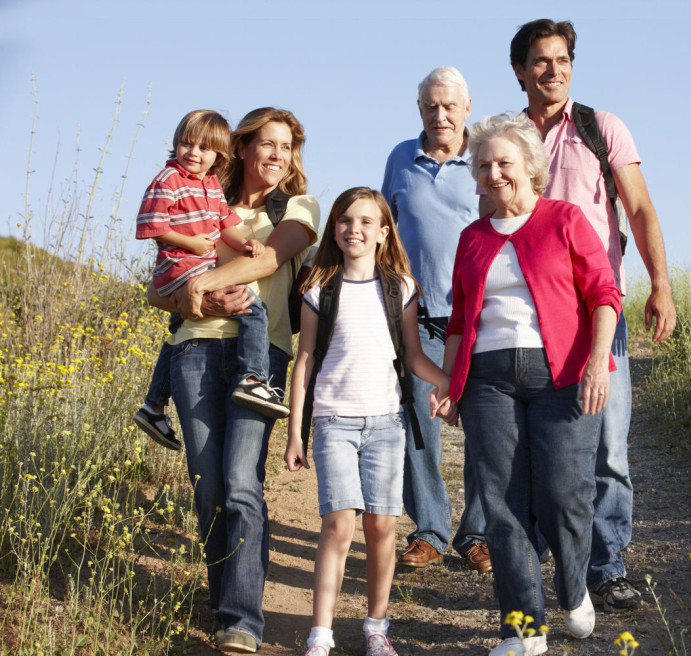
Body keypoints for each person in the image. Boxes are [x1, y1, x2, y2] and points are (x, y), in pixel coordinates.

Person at [497, 18, 678, 611]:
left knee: (609, 446)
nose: (554, 70)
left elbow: (642, 209)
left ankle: (607, 565)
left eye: (563, 59)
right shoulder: (506, 139)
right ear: (520, 70)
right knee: (533, 444)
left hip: (600, 309)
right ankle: (548, 561)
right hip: (528, 316)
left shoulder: (603, 129)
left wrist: (660, 285)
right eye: (541, 61)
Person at [445, 113, 621, 656]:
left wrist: (596, 362)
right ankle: (524, 628)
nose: (493, 173)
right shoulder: (472, 237)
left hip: (562, 375)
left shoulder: (564, 219)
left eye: (503, 162)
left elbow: (604, 296)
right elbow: (457, 322)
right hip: (486, 382)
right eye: (483, 165)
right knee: (501, 503)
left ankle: (573, 589)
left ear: (530, 167)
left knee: (562, 492)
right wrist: (452, 385)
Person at [148, 107, 320, 653]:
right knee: (209, 488)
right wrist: (194, 299)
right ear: (241, 149)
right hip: (192, 350)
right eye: (266, 144)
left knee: (242, 482)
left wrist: (204, 287)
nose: (276, 155)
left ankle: (242, 620)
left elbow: (268, 260)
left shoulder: (297, 206)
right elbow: (156, 290)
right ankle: (225, 598)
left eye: (286, 147)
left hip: (259, 355)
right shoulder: (199, 200)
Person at [284, 187, 452, 656]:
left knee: (382, 527)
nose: (352, 229)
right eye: (344, 220)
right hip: (334, 422)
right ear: (334, 229)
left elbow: (415, 357)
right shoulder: (318, 288)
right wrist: (296, 432)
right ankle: (321, 635)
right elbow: (305, 360)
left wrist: (450, 385)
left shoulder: (400, 287)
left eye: (364, 221)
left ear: (383, 232)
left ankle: (377, 628)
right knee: (338, 525)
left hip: (387, 424)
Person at [380, 66, 489, 572]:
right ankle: (429, 530)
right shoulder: (401, 158)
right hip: (417, 318)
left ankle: (479, 534)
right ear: (419, 109)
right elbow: (386, 230)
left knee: (485, 428)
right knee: (418, 427)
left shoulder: (486, 156)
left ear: (467, 108)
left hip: (478, 319)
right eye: (430, 106)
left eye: (449, 106)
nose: (440, 115)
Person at [133, 110, 288, 451]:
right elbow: (150, 225)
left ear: (219, 154)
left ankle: (154, 404)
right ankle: (253, 379)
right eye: (187, 143)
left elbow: (225, 223)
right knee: (253, 307)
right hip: (182, 267)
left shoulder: (211, 185)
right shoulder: (168, 179)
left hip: (196, 269)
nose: (193, 152)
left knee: (178, 328)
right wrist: (191, 243)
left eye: (204, 147)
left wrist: (243, 243)